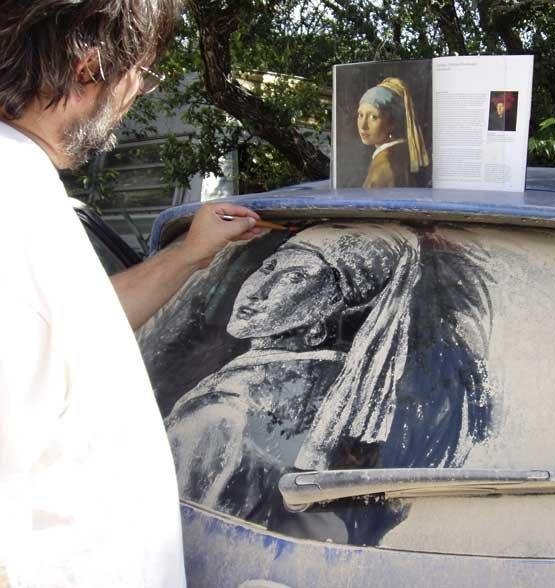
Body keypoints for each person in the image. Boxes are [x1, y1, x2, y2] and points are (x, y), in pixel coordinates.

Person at [0, 2, 260, 586]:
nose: (138, 92)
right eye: (140, 73)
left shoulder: (24, 188)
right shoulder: (10, 212)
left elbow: (68, 338)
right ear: (88, 70)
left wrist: (189, 255)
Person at [165, 223, 421, 530]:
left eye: (295, 277)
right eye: (267, 267)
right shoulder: (338, 386)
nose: (260, 289)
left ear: (324, 315)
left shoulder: (224, 409)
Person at [357, 77, 430, 189]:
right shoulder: (401, 151)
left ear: (392, 122)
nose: (363, 126)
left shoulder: (382, 166)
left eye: (373, 117)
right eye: (360, 115)